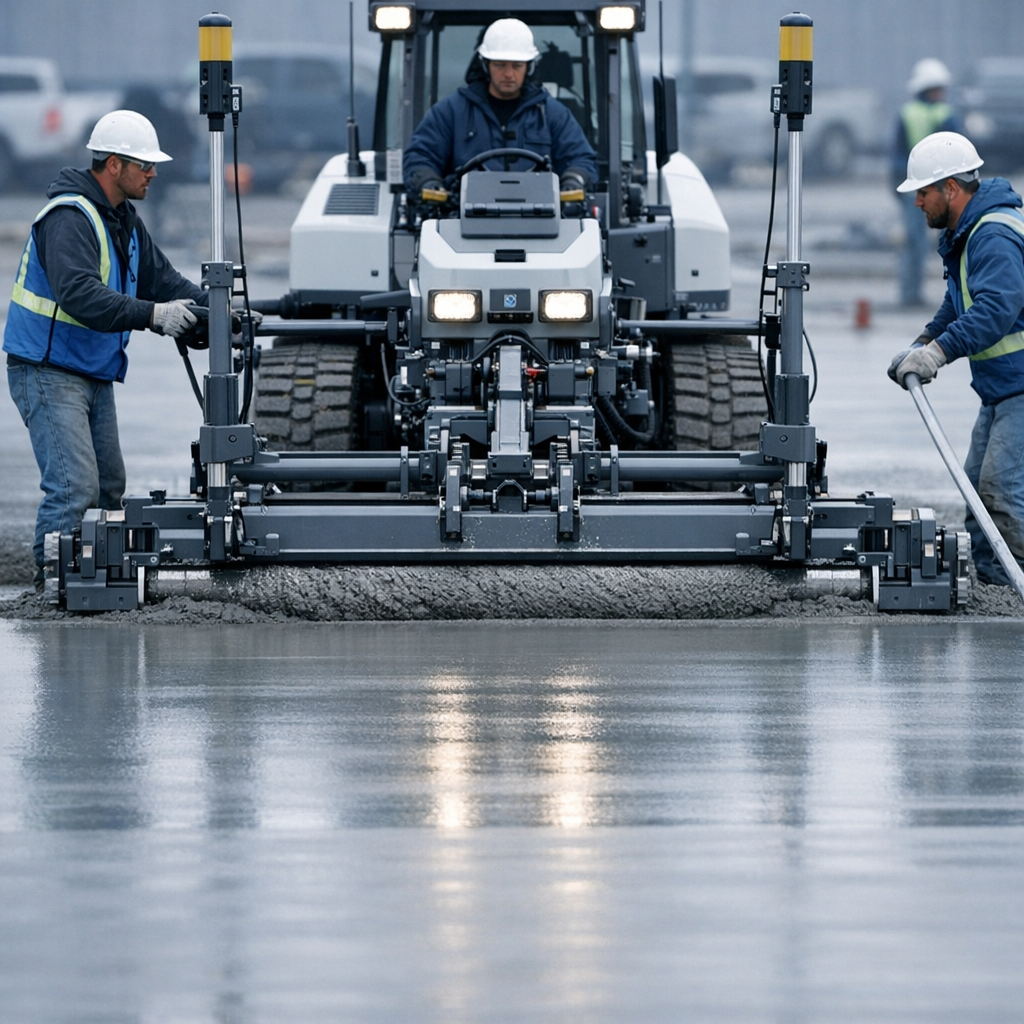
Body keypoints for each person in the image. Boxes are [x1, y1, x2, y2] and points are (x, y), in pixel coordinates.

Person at [4, 109, 207, 586]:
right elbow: (80, 294)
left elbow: (166, 281)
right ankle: (53, 584)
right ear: (114, 165)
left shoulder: (123, 222)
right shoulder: (69, 218)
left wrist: (223, 314)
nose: (154, 173)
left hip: (90, 369)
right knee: (74, 488)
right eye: (144, 164)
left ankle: (93, 580)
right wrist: (154, 316)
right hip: (47, 370)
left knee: (108, 488)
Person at [888, 132, 1024, 586]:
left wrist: (937, 355)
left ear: (950, 188)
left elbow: (993, 310)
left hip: (1021, 387)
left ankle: (1013, 591)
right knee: (978, 487)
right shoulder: (967, 234)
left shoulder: (993, 236)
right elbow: (961, 302)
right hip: (1003, 388)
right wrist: (925, 339)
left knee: (1000, 488)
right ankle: (994, 584)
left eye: (922, 192)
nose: (917, 203)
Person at [403, 18, 598, 195]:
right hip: (460, 224)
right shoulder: (450, 112)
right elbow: (421, 156)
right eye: (500, 65)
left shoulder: (552, 114)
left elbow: (580, 159)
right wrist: (428, 181)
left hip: (543, 224)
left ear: (529, 67)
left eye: (517, 65)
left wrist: (574, 180)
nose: (508, 74)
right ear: (484, 64)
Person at [891, 59, 965, 308]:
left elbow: (897, 153)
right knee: (950, 241)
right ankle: (954, 296)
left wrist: (896, 185)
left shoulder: (906, 112)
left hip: (913, 185)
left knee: (913, 241)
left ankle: (909, 293)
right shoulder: (945, 114)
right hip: (942, 187)